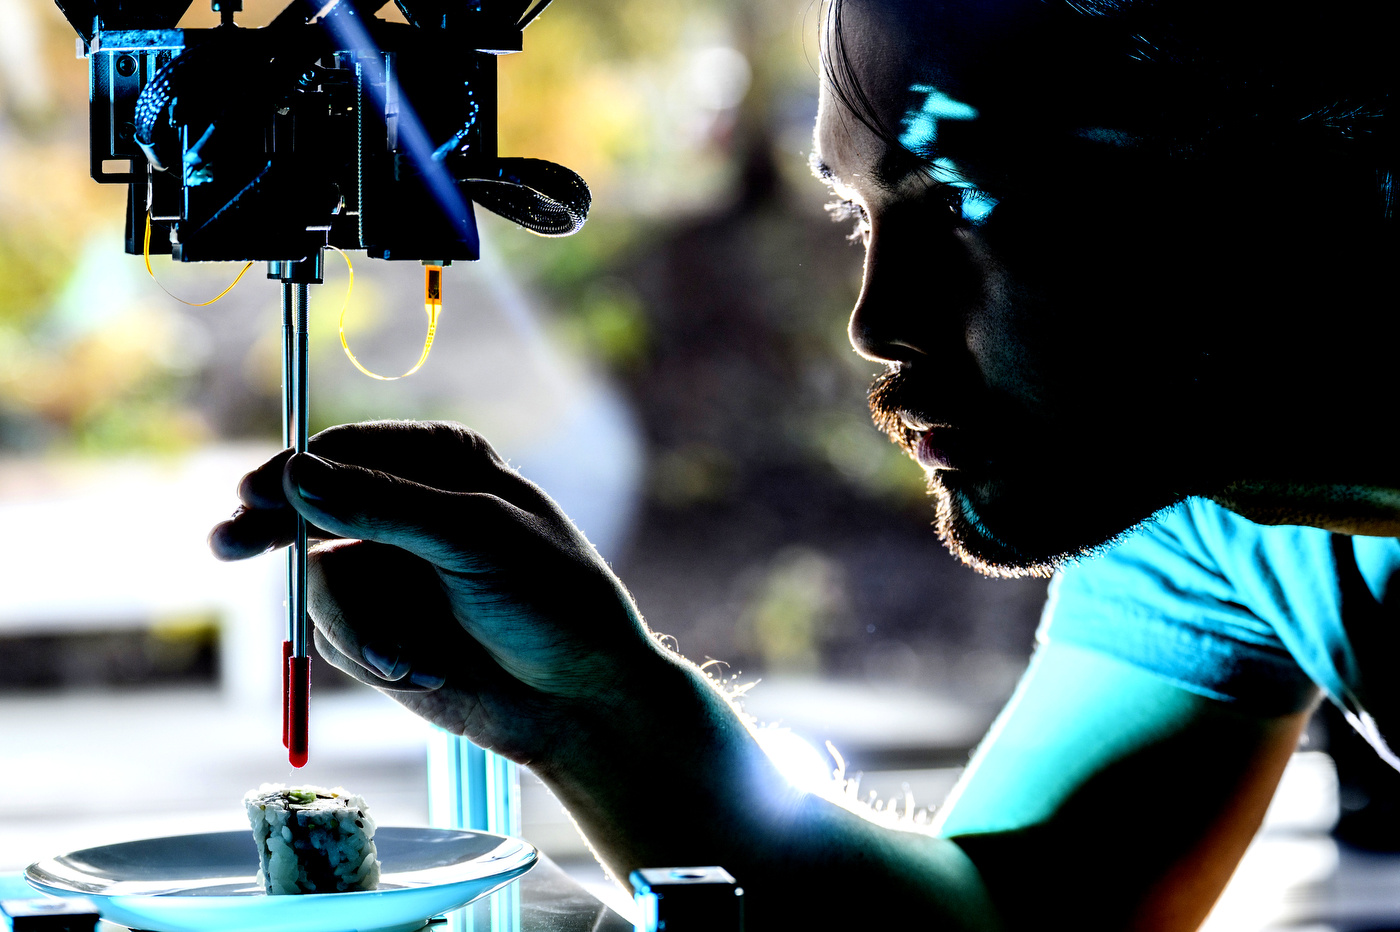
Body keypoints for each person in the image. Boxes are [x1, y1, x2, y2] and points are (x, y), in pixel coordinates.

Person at [210, 0, 1395, 927]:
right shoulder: (1213, 526)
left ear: (1313, 179)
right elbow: (1006, 916)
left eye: (967, 198)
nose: (874, 323)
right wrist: (595, 703)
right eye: (856, 214)